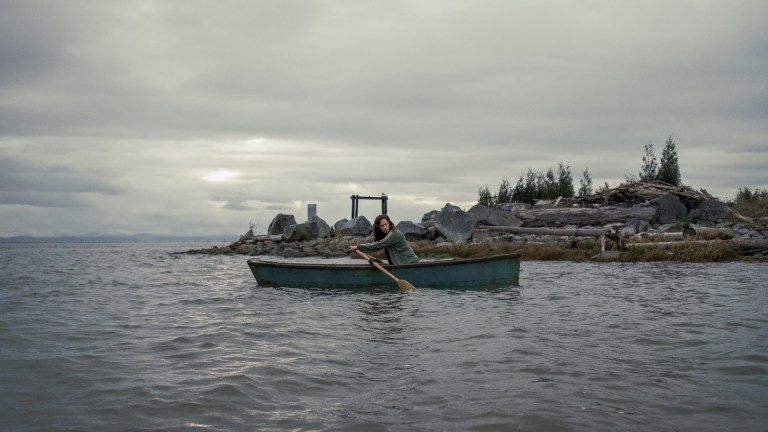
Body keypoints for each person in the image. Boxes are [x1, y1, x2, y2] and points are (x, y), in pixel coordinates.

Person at [347, 214, 420, 265]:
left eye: (386, 224)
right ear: (379, 228)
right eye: (382, 226)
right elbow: (377, 243)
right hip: (401, 264)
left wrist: (358, 247)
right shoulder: (387, 235)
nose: (385, 227)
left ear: (389, 223)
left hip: (410, 264)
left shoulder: (395, 234)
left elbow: (378, 245)